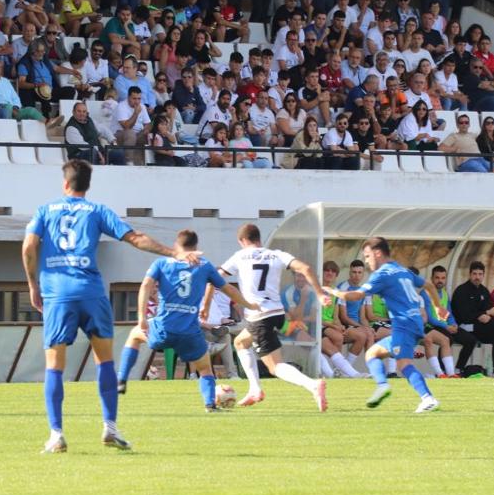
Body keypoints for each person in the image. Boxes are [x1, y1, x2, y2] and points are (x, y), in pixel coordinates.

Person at [22, 159, 202, 454]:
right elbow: (135, 238)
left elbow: (29, 246)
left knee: (55, 365)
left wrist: (33, 285)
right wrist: (173, 253)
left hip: (57, 294)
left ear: (65, 183)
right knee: (104, 360)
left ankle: (56, 434)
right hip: (91, 292)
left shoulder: (45, 210)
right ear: (87, 185)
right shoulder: (97, 210)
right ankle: (110, 427)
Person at [116, 229, 258, 410]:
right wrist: (249, 304)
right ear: (196, 246)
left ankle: (122, 378)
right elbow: (228, 289)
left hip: (164, 328)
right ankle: (209, 404)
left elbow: (145, 285)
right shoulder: (204, 265)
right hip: (190, 332)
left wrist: (142, 317)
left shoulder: (161, 263)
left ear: (176, 244)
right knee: (205, 367)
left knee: (135, 336)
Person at [325, 237, 444, 412]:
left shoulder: (382, 274)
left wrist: (332, 291)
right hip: (412, 323)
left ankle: (428, 399)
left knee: (403, 364)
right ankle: (382, 386)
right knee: (372, 353)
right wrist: (438, 307)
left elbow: (356, 295)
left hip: (404, 324)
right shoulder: (401, 269)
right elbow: (429, 285)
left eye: (367, 256)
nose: (366, 261)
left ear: (377, 253)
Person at [217, 223, 328, 410]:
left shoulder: (240, 256)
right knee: (240, 343)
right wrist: (319, 294)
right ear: (259, 239)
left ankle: (312, 385)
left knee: (275, 367)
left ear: (242, 241)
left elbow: (217, 277)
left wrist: (204, 303)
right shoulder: (276, 254)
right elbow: (306, 268)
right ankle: (255, 389)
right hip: (277, 313)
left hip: (259, 315)